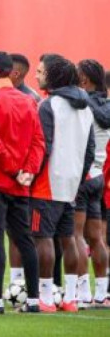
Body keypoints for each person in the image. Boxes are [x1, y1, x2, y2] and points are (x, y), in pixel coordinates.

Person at [0, 51, 45, 314]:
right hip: (21, 184)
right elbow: (39, 141)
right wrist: (28, 171)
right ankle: (33, 299)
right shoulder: (29, 101)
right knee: (24, 239)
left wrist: (14, 169)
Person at [31, 55, 95, 313]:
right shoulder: (87, 107)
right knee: (68, 238)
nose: (37, 75)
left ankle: (45, 297)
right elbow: (90, 150)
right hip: (72, 183)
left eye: (41, 71)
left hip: (47, 182)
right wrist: (78, 177)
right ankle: (70, 298)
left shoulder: (49, 105)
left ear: (53, 76)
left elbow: (43, 146)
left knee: (42, 238)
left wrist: (31, 174)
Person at [75, 59, 110, 308]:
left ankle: (83, 293)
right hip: (99, 176)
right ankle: (102, 292)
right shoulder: (107, 105)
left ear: (85, 80)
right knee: (97, 238)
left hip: (82, 176)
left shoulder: (80, 105)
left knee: (76, 236)